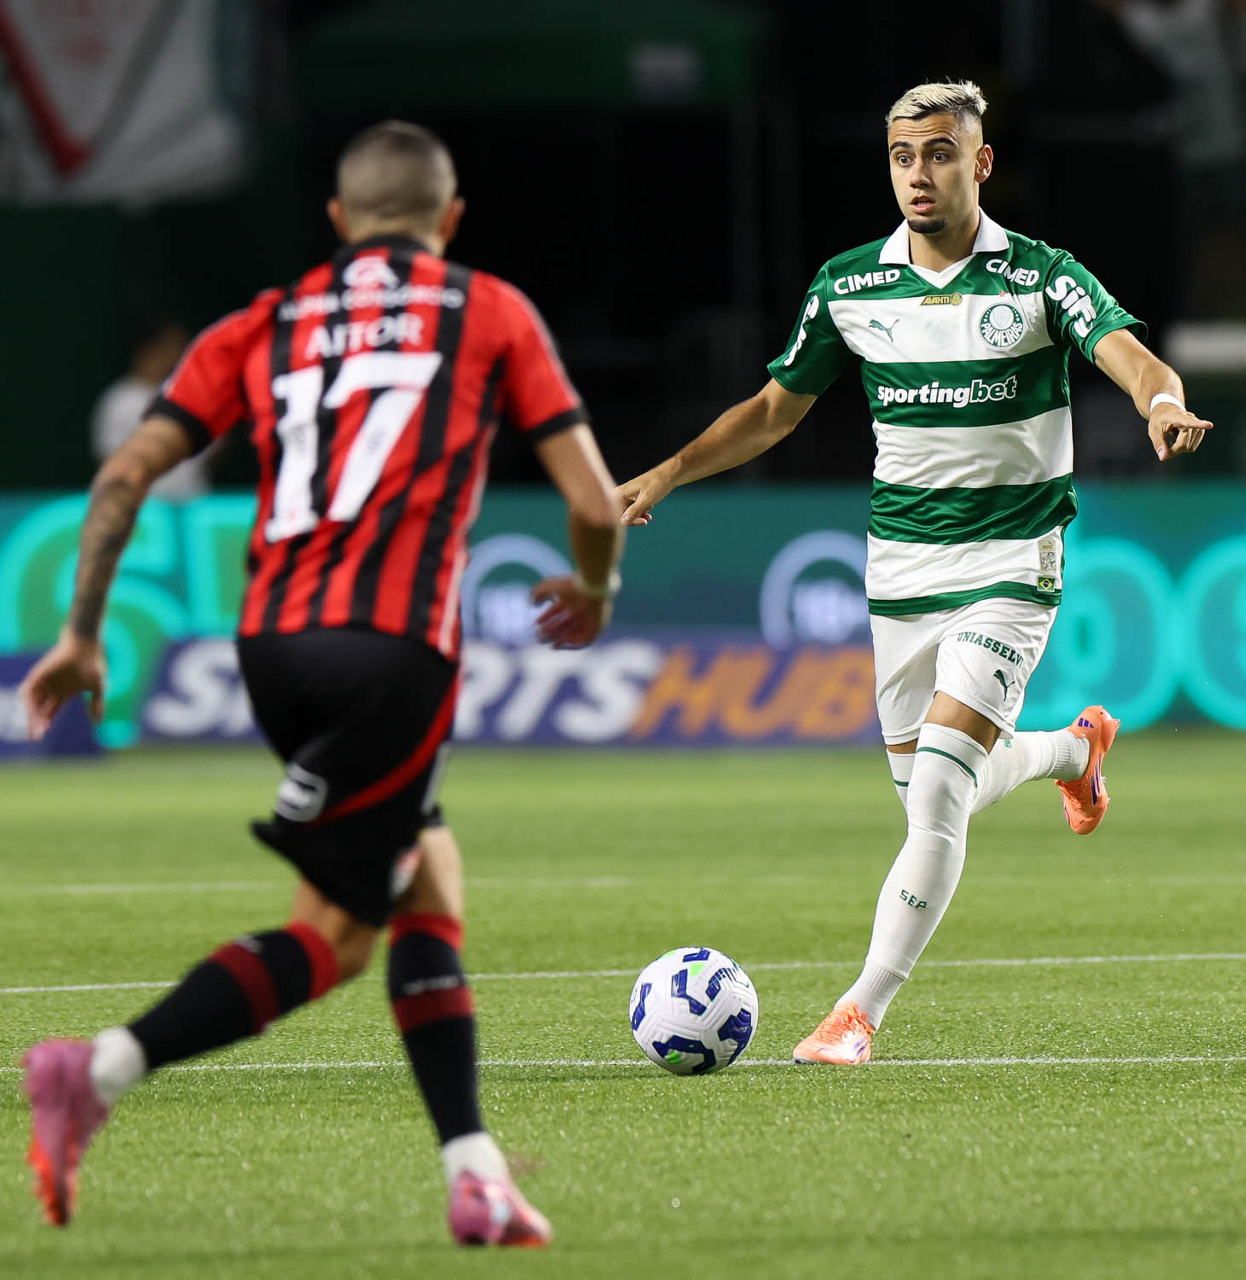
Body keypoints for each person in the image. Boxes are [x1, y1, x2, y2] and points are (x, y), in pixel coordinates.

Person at [19, 120, 624, 1245]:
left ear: (339, 223)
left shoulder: (263, 318)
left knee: (426, 869)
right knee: (339, 936)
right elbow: (592, 503)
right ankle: (94, 1071)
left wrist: (82, 631)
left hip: (269, 649)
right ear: (448, 221)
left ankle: (476, 1168)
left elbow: (122, 478)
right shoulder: (486, 307)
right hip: (391, 654)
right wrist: (595, 586)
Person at [618, 80, 1211, 1066]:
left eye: (939, 153)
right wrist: (669, 471)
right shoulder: (848, 286)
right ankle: (1072, 751)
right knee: (935, 789)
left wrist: (1158, 403)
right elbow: (773, 410)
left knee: (937, 789)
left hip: (1011, 563)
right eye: (902, 156)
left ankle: (857, 1011)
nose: (918, 173)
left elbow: (1130, 356)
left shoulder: (1038, 275)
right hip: (898, 572)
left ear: (979, 162)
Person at [89, 316, 213, 499]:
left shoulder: (188, 394)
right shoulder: (118, 400)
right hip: (145, 510)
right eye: (171, 346)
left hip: (192, 504)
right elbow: (107, 459)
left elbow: (209, 451)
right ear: (148, 350)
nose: (179, 353)